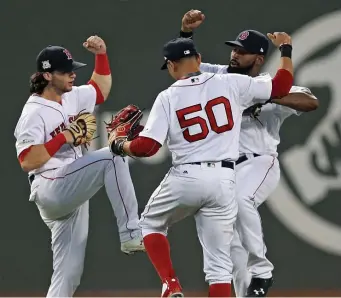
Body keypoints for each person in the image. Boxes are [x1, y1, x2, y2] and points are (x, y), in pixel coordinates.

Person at [107, 34, 294, 297]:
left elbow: (148, 147)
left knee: (149, 225)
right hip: (224, 180)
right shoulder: (232, 82)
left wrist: (120, 145)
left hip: (187, 176)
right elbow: (282, 85)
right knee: (219, 269)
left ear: (171, 66)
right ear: (199, 59)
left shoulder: (168, 96)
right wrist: (285, 50)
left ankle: (170, 285)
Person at [178, 9, 319, 297]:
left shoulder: (267, 84)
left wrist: (268, 95)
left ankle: (262, 271)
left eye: (242, 52)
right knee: (230, 242)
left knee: (241, 200)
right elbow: (185, 68)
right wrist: (186, 35)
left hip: (259, 162)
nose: (234, 55)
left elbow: (310, 101)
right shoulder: (221, 76)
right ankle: (248, 292)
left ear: (257, 58)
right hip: (224, 169)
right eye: (234, 49)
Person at [14, 35, 145, 297]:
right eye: (66, 72)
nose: (72, 76)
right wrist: (64, 137)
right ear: (48, 75)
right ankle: (131, 233)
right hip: (50, 185)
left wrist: (102, 55)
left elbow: (100, 88)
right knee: (112, 155)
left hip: (71, 190)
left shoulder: (72, 96)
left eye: (73, 70)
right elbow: (27, 161)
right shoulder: (33, 112)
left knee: (68, 274)